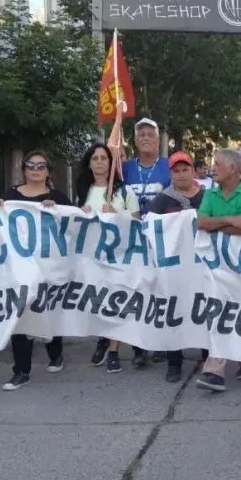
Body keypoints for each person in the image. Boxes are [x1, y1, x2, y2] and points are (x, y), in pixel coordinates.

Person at [0, 151, 71, 391]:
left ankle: (55, 353)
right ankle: (21, 370)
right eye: (30, 165)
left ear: (47, 171)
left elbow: (74, 226)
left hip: (49, 268)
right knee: (21, 315)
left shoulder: (57, 197)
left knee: (48, 312)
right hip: (21, 269)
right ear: (24, 170)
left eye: (41, 166)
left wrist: (56, 210)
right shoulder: (11, 196)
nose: (35, 170)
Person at [194, 149, 241, 393]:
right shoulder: (210, 192)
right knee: (218, 307)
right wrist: (231, 219)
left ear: (233, 169)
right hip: (216, 265)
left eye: (217, 165)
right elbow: (200, 223)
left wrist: (221, 224)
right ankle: (215, 369)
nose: (213, 168)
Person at [78, 143, 142, 374]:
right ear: (89, 163)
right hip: (92, 256)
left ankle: (113, 349)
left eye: (103, 158)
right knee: (98, 302)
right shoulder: (83, 191)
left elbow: (137, 220)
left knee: (115, 301)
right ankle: (103, 339)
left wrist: (116, 214)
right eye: (94, 158)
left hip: (119, 256)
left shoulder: (124, 192)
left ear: (111, 162)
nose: (99, 162)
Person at [149, 151, 208, 383]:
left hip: (202, 266)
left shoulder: (207, 197)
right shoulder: (162, 200)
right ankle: (175, 362)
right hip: (175, 269)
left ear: (193, 171)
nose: (181, 174)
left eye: (185, 169)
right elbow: (149, 229)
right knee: (174, 312)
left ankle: (208, 358)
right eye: (176, 171)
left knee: (204, 311)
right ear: (170, 174)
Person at [121, 118, 170, 365]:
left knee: (160, 289)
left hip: (161, 238)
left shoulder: (169, 166)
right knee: (136, 289)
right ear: (135, 140)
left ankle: (161, 342)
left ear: (158, 138)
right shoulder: (125, 168)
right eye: (141, 135)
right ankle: (138, 346)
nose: (146, 138)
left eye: (150, 134)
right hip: (132, 238)